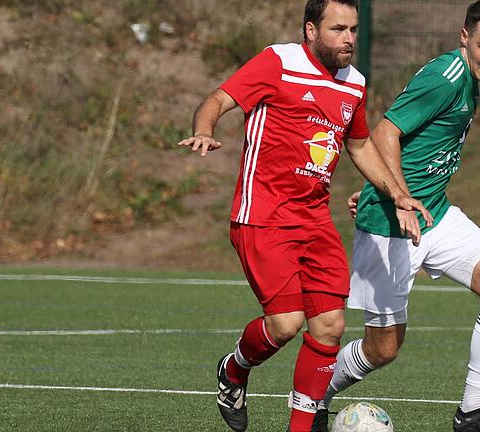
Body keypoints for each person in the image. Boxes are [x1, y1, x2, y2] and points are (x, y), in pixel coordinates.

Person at [178, 1, 432, 430]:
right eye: (338, 29)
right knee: (285, 325)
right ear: (310, 29)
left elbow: (360, 145)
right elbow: (219, 99)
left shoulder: (354, 84)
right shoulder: (279, 61)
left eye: (353, 29)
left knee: (330, 326)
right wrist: (205, 129)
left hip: (315, 220)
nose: (349, 38)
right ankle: (235, 369)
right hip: (263, 213)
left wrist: (397, 193)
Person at [322, 1, 480, 431]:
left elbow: (412, 146)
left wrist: (396, 189)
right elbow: (384, 132)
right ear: (465, 36)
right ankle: (312, 396)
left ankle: (472, 412)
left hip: (433, 212)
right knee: (383, 351)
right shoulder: (446, 77)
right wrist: (394, 197)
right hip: (391, 226)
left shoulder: (469, 77)